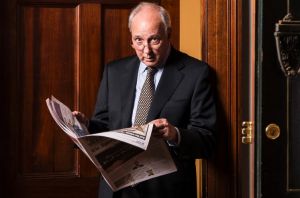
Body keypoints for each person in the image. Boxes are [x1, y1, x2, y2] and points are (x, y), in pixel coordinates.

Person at [73, 2, 216, 198]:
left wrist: (175, 134)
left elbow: (207, 140)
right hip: (116, 190)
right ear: (131, 39)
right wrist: (85, 126)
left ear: (168, 34)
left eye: (154, 40)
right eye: (138, 40)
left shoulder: (196, 73)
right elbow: (105, 127)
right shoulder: (114, 71)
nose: (146, 50)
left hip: (165, 191)